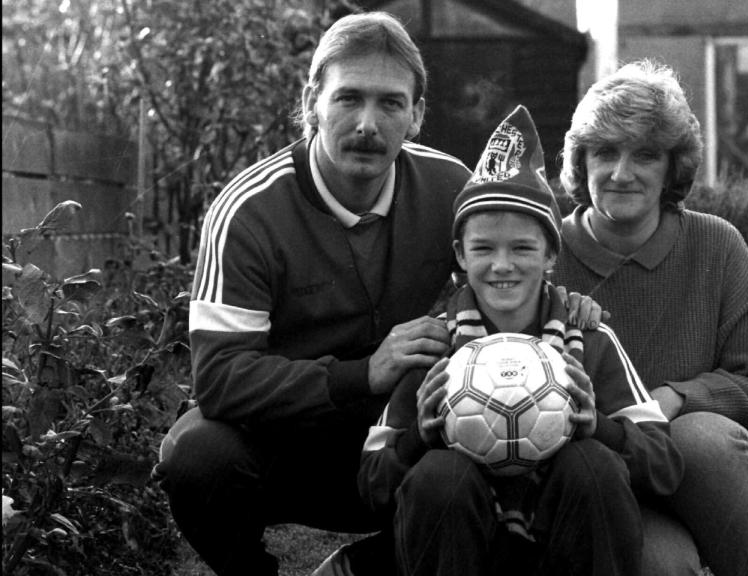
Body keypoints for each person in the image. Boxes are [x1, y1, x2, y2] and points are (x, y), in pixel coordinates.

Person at [153, 13, 601, 576]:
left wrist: (565, 306)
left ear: (415, 115)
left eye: (390, 104)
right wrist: (362, 373)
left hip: (415, 436)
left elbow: (505, 278)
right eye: (348, 99)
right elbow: (219, 380)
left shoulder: (448, 189)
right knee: (196, 455)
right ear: (312, 100)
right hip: (290, 443)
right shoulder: (247, 211)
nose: (367, 123)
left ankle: (378, 563)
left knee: (510, 425)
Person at [357, 106, 684, 576]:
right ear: (459, 255)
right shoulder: (433, 347)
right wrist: (417, 441)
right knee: (439, 476)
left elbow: (665, 468)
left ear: (551, 252)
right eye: (483, 248)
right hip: (464, 549)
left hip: (561, 546)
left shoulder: (589, 341)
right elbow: (371, 484)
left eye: (523, 248)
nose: (502, 265)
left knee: (591, 464)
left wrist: (603, 430)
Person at [550, 59, 748, 576]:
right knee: (661, 563)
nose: (622, 173)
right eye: (606, 152)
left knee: (697, 435)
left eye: (646, 155)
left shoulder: (717, 245)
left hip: (709, 467)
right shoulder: (541, 252)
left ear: (672, 166)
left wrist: (676, 398)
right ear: (581, 160)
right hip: (603, 470)